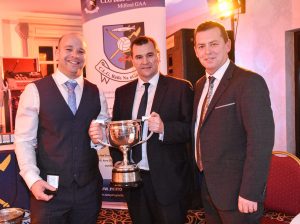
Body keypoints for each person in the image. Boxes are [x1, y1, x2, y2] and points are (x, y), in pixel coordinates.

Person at [89, 36, 193, 224]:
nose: (145, 61)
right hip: (134, 181)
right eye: (139, 57)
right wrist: (121, 165)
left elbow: (191, 131)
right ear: (132, 60)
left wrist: (164, 128)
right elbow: (116, 135)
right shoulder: (123, 93)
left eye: (150, 55)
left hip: (169, 182)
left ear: (158, 56)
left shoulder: (180, 88)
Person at [14, 33, 109, 224]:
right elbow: (24, 140)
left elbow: (102, 133)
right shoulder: (34, 90)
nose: (75, 55)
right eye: (68, 49)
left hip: (88, 190)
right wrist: (32, 180)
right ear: (57, 53)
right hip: (49, 189)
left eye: (81, 51)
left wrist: (100, 137)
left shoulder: (96, 92)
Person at [192, 21, 275, 224]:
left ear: (227, 45)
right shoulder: (200, 84)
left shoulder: (248, 82)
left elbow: (261, 142)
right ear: (195, 50)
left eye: (214, 44)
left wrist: (250, 191)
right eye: (201, 46)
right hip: (209, 187)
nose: (207, 51)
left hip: (239, 193)